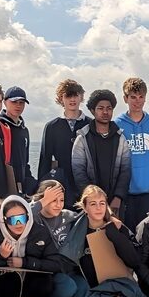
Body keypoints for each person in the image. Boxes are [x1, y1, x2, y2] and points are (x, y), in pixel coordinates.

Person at [0, 195, 64, 297]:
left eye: (22, 218)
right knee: (2, 282)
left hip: (32, 279)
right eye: (12, 219)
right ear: (3, 220)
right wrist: (1, 256)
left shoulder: (40, 231)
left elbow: (55, 263)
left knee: (45, 283)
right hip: (8, 281)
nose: (18, 224)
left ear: (28, 216)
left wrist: (25, 262)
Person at [58, 185, 145, 297]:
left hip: (119, 286)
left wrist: (115, 234)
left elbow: (134, 261)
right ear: (85, 207)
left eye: (102, 203)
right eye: (93, 204)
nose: (98, 208)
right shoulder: (76, 231)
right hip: (90, 289)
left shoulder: (117, 227)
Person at [115, 77, 149, 231]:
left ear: (145, 98)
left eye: (141, 97)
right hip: (126, 195)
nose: (137, 101)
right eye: (133, 97)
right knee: (128, 238)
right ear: (125, 98)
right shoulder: (117, 125)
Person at [71, 89, 131, 217]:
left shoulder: (120, 137)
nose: (105, 112)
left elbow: (125, 170)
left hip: (115, 204)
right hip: (91, 204)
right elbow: (78, 172)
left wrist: (118, 197)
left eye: (109, 108)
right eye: (100, 108)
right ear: (93, 111)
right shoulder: (82, 138)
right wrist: (93, 200)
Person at [30, 180, 83, 297]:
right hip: (45, 272)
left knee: (83, 288)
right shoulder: (35, 217)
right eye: (53, 200)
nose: (58, 205)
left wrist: (110, 219)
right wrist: (42, 202)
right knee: (67, 287)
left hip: (66, 269)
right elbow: (22, 215)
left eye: (62, 200)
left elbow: (91, 217)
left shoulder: (68, 216)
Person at [37, 79, 90, 207]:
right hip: (61, 184)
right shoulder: (51, 126)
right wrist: (41, 190)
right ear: (61, 98)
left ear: (81, 97)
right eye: (68, 96)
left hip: (86, 184)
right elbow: (45, 160)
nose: (72, 99)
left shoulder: (90, 124)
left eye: (75, 95)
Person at [0, 86, 38, 195]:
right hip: (2, 186)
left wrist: (31, 184)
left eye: (21, 102)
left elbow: (25, 162)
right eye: (14, 102)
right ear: (5, 102)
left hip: (20, 187)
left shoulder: (24, 131)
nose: (18, 105)